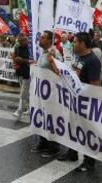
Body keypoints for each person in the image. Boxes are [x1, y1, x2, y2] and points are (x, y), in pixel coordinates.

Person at [58, 32, 101, 172]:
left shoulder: (93, 60)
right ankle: (72, 153)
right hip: (75, 100)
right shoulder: (79, 57)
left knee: (86, 130)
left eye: (75, 42)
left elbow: (95, 86)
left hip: (85, 103)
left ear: (82, 43)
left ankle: (89, 161)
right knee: (73, 127)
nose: (73, 44)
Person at [31, 30, 60, 158]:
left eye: (43, 38)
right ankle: (42, 143)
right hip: (41, 94)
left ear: (49, 40)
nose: (40, 39)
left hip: (51, 95)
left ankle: (53, 147)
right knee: (42, 118)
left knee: (51, 120)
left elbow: (60, 72)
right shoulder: (43, 53)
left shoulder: (54, 53)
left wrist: (53, 60)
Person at [12, 34, 33, 119]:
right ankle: (30, 108)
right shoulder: (17, 47)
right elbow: (15, 57)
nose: (20, 43)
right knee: (27, 92)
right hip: (20, 72)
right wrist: (15, 60)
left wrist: (23, 60)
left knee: (23, 93)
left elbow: (33, 61)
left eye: (22, 41)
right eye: (19, 41)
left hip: (29, 73)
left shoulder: (30, 48)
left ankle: (19, 111)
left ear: (26, 40)